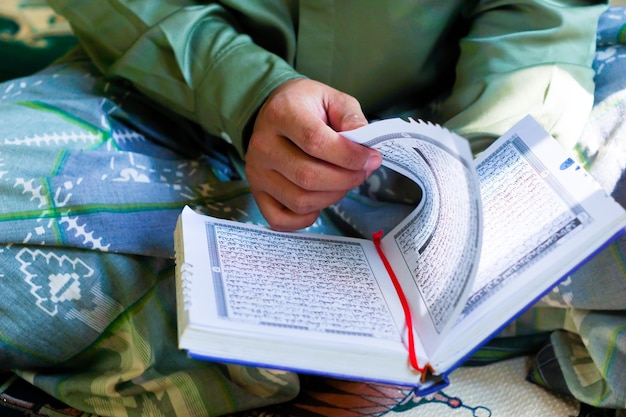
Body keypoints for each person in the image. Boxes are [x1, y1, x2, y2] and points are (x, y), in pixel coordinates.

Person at [0, 0, 623, 415]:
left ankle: (250, 357)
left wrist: (485, 182)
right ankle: (484, 336)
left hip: (451, 116)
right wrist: (250, 92)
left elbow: (539, 27)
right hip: (173, 107)